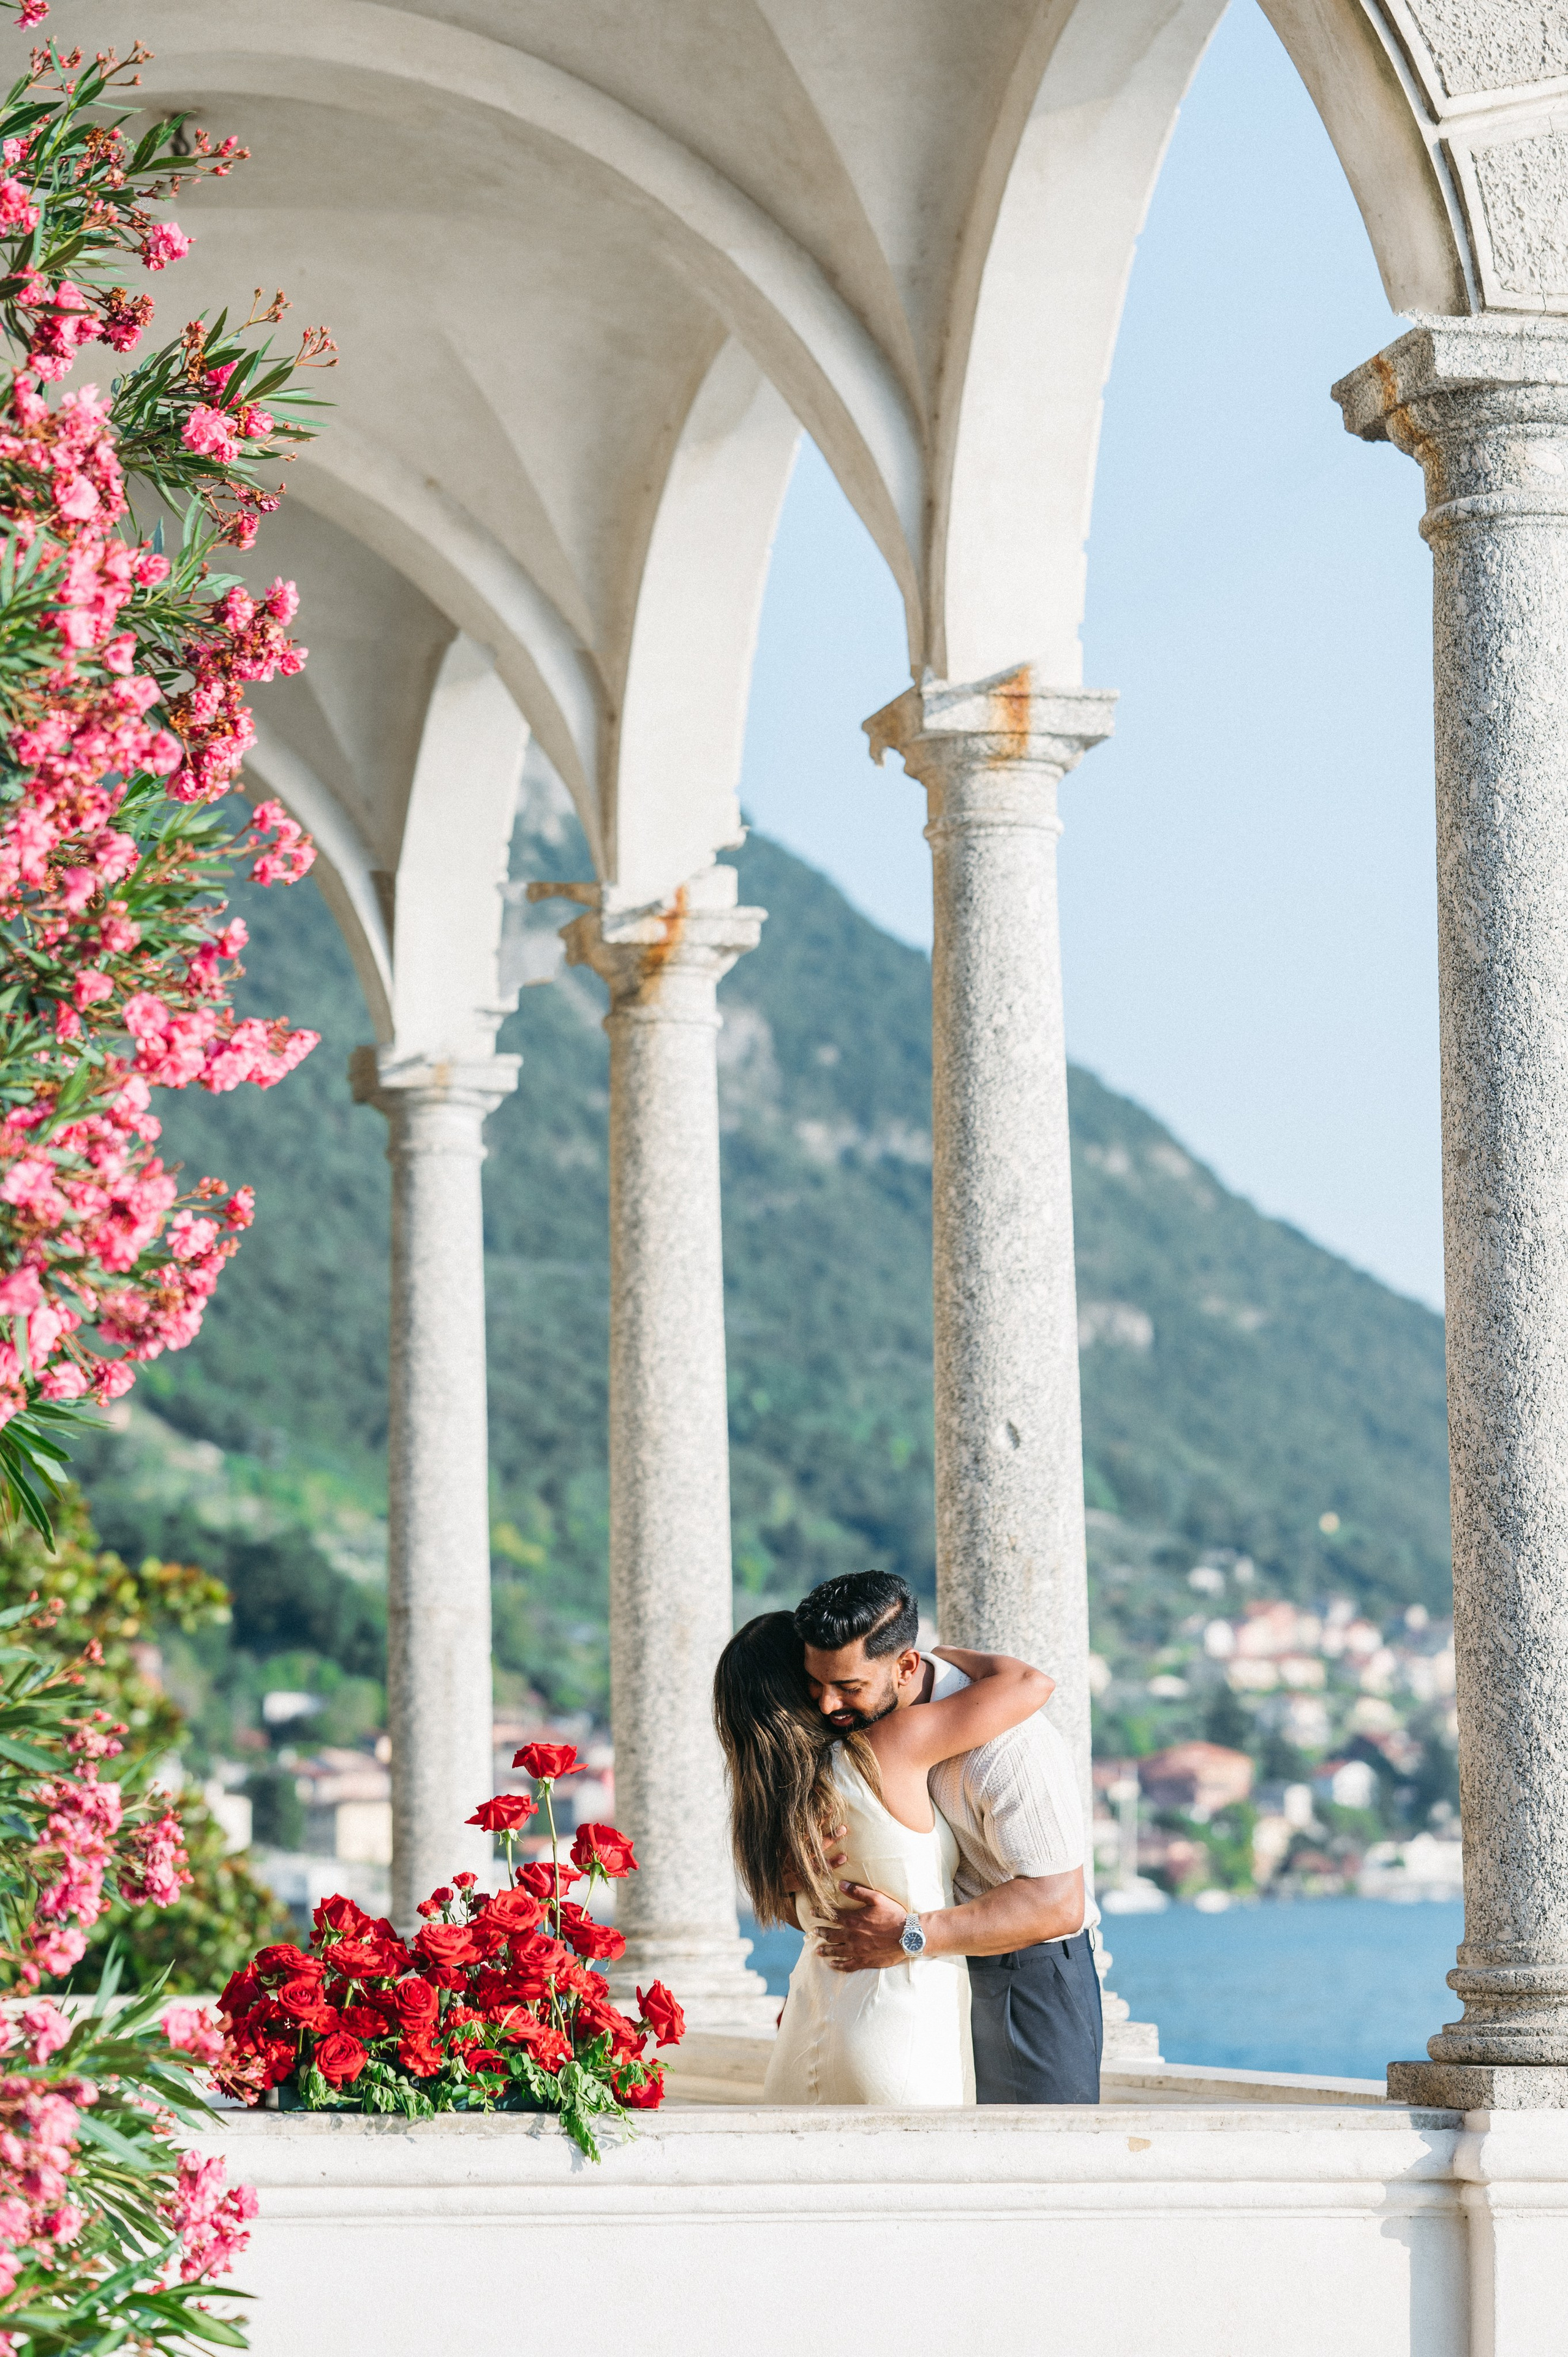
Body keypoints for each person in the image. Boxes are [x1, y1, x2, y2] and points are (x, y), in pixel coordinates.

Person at [712, 1602, 1051, 2105]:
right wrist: (944, 1655)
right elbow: (1029, 1683)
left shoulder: (771, 1803)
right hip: (898, 2034)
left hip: (802, 2037)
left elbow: (801, 1915)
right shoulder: (884, 1747)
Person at [799, 1571, 1102, 2106]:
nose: (827, 1705)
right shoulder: (868, 1728)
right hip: (933, 1975)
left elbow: (1058, 1904)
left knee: (1034, 2173)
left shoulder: (1007, 1747)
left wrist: (908, 1936)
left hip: (1025, 1977)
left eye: (849, 1687)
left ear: (907, 1666)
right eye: (817, 1684)